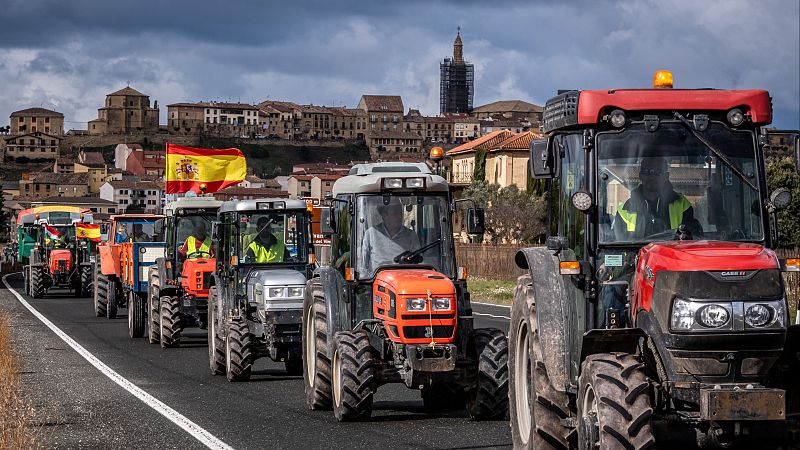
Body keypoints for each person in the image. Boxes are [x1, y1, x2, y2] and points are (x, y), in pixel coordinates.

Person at [612, 157, 702, 241]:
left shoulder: (683, 206)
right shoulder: (624, 210)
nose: (651, 176)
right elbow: (616, 247)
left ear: (666, 176)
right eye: (647, 172)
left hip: (671, 257)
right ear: (640, 176)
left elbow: (692, 240)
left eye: (658, 172)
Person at [359, 202, 420, 276]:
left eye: (401, 213)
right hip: (377, 280)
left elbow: (418, 262)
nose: (400, 216)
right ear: (384, 215)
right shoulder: (371, 233)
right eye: (395, 213)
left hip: (403, 279)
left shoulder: (411, 235)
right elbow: (363, 265)